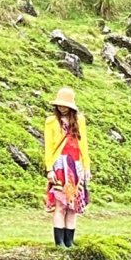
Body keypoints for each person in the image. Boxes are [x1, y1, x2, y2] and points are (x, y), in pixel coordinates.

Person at [44, 87, 91, 248]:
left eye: (65, 105)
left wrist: (86, 167)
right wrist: (49, 169)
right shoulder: (51, 121)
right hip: (59, 165)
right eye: (59, 105)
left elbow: (83, 144)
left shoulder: (80, 120)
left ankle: (69, 242)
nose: (62, 108)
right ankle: (59, 243)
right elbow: (48, 147)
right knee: (61, 204)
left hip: (75, 164)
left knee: (73, 206)